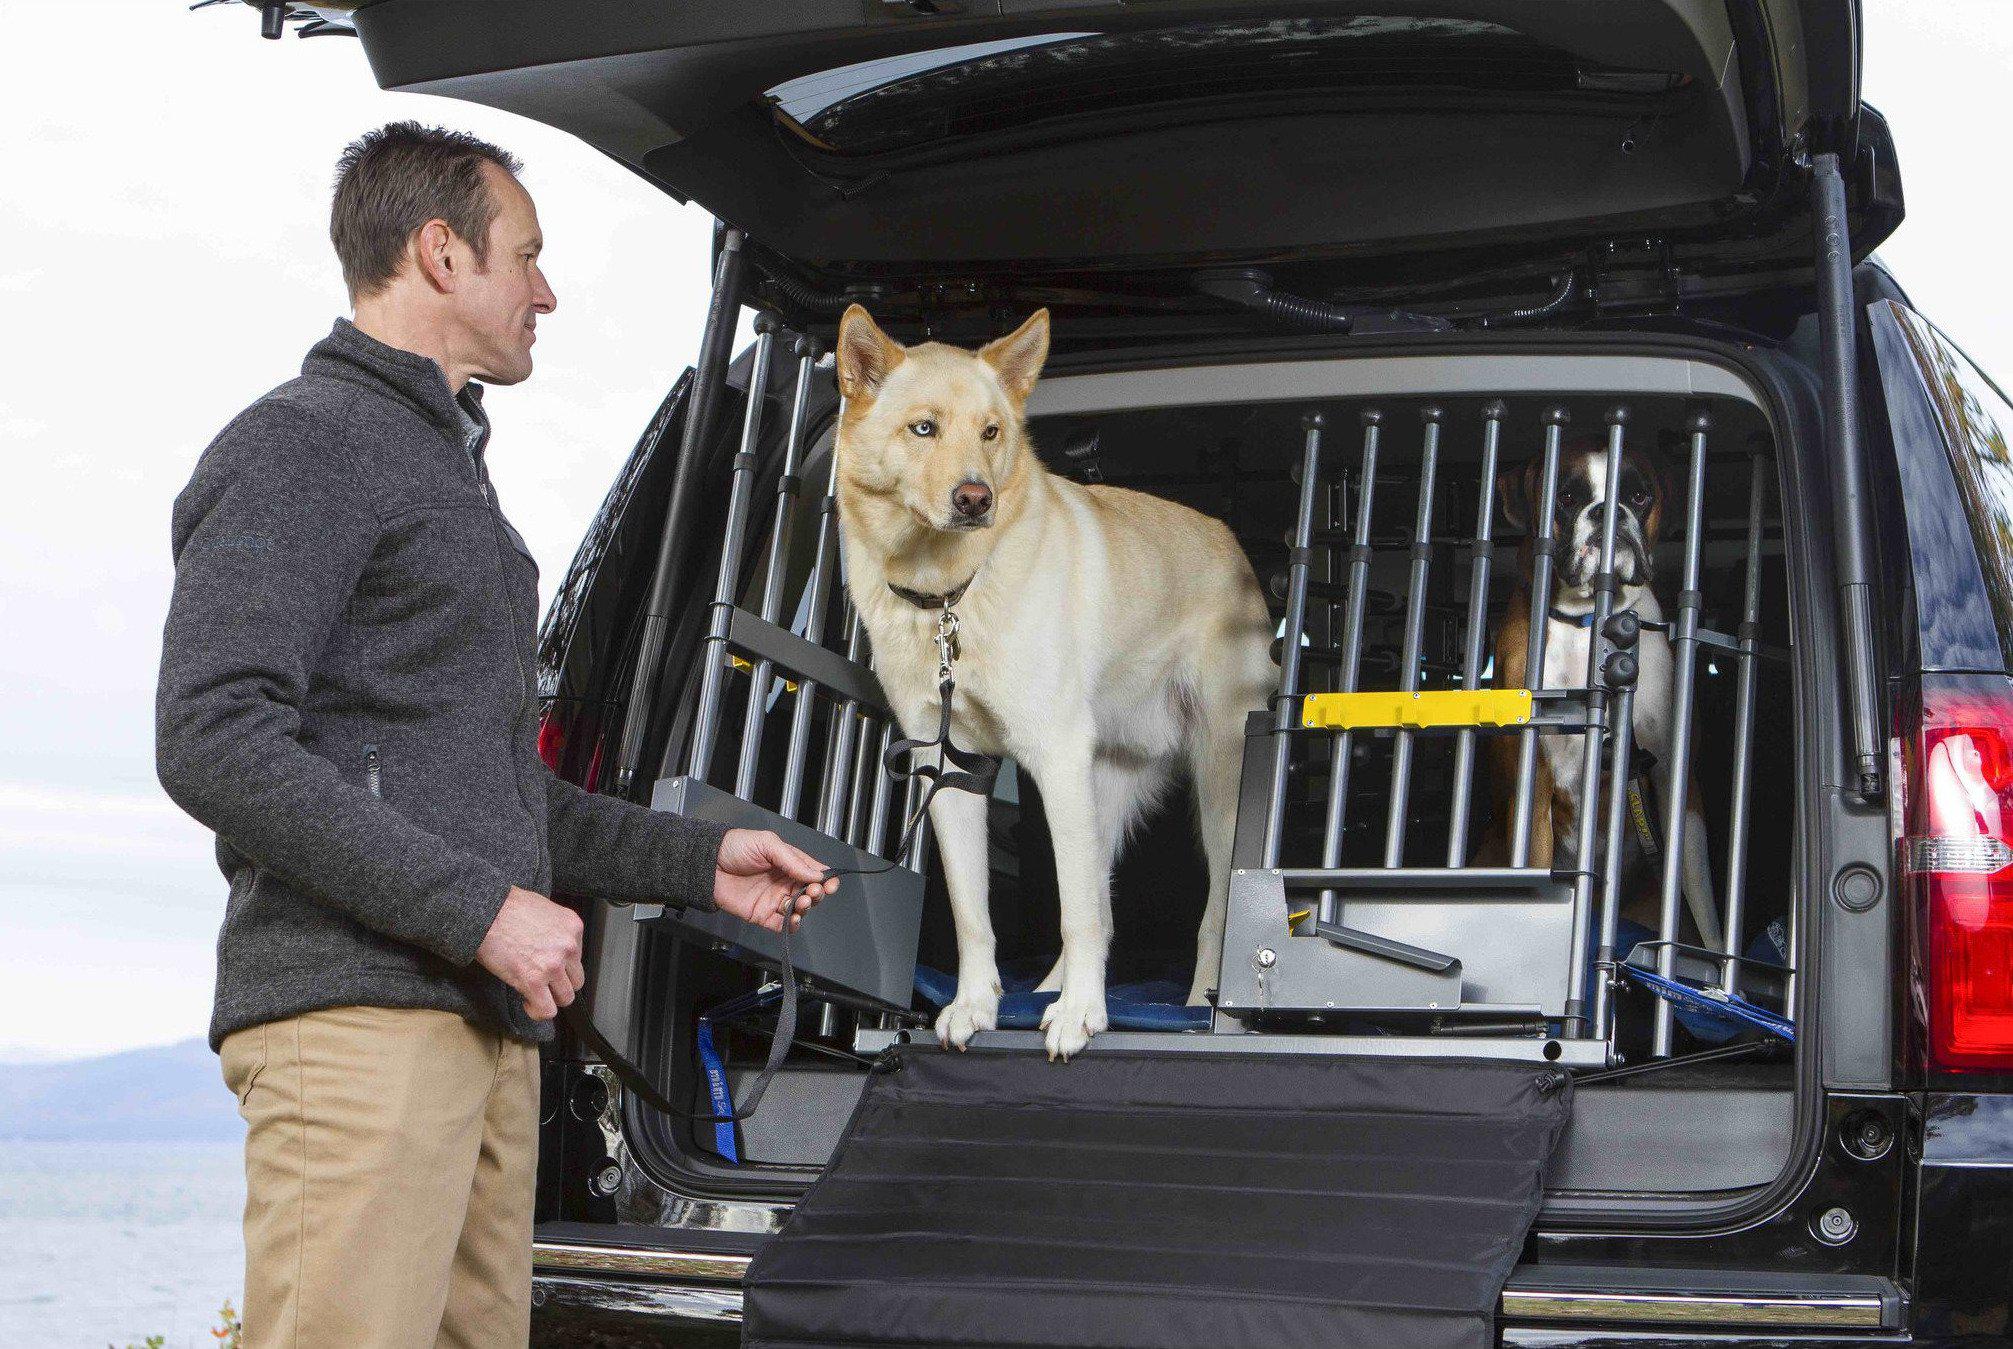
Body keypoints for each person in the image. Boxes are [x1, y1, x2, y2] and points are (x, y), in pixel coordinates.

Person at [154, 121, 836, 1348]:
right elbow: (210, 736)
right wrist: (479, 910)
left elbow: (500, 794)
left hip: (479, 1034)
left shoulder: (444, 469)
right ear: (439, 254)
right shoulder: (302, 443)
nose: (547, 291)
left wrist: (699, 862)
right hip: (358, 1026)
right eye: (526, 256)